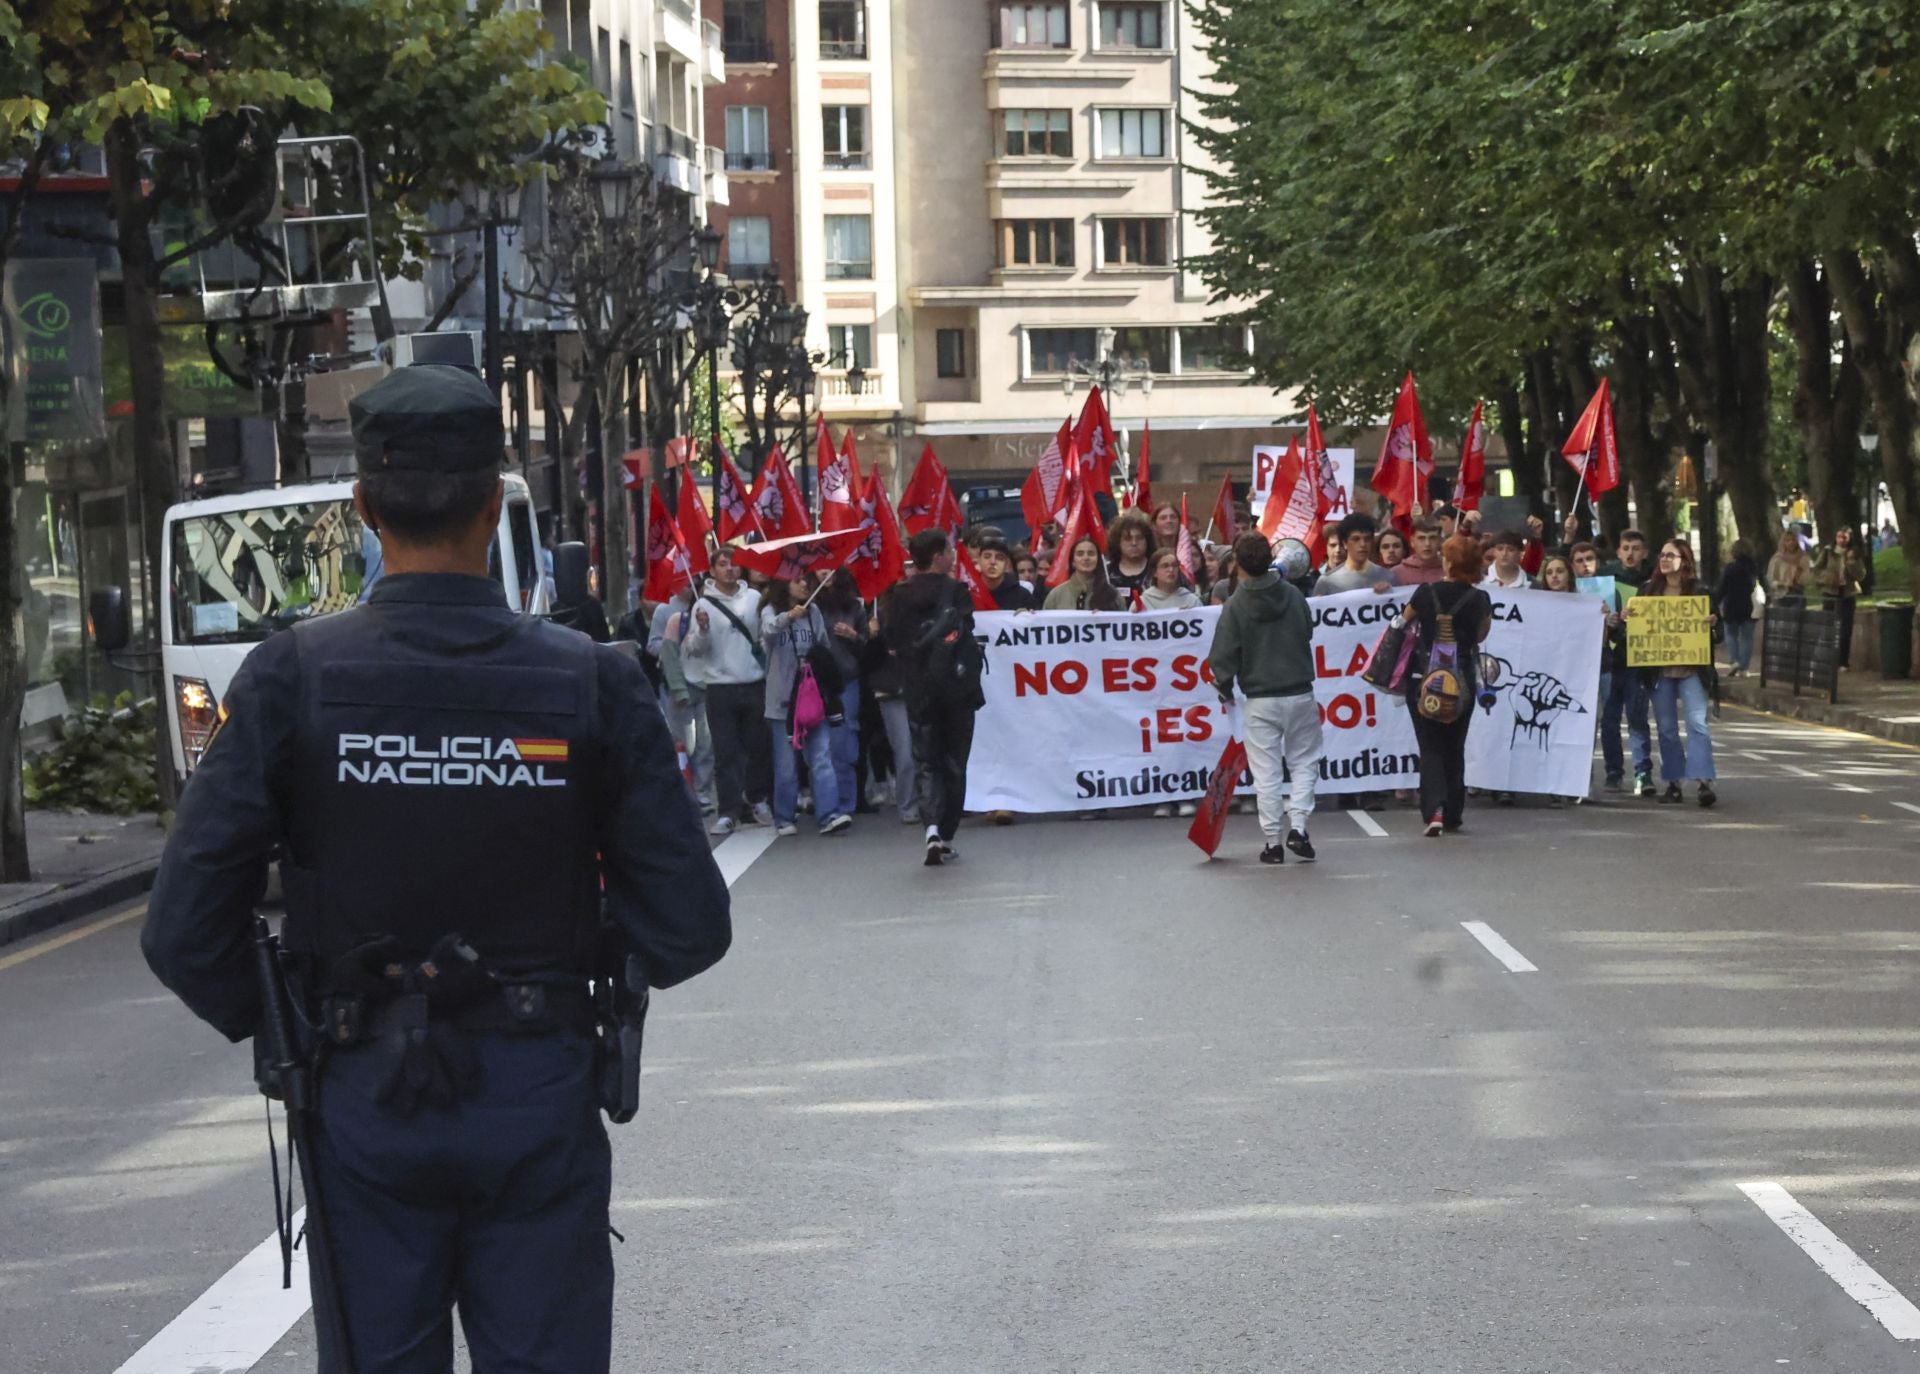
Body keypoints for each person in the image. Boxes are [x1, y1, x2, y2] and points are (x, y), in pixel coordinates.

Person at [141, 365, 732, 1374]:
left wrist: (298, 1030)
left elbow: (183, 929)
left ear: (363, 505)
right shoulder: (588, 681)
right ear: (498, 497)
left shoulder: (293, 676)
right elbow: (688, 926)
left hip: (363, 1093)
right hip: (538, 1086)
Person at [1209, 532, 1322, 864]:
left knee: (1267, 772)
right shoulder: (1292, 594)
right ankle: (1299, 827)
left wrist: (1226, 688)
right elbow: (1308, 630)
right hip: (1300, 691)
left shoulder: (1235, 605)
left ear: (1239, 564)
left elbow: (1222, 659)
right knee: (1304, 762)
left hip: (1260, 698)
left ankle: (1272, 842)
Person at [881, 529, 983, 866]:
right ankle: (948, 832)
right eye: (949, 551)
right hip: (956, 691)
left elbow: (891, 640)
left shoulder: (899, 596)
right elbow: (966, 635)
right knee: (955, 762)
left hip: (918, 691)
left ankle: (932, 830)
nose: (953, 555)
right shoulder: (956, 592)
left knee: (926, 760)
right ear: (938, 555)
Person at [1399, 534, 1494, 836]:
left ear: (1449, 561)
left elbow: (1403, 622)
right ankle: (1453, 811)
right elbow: (1480, 636)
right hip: (1462, 679)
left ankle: (1434, 810)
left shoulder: (1426, 592)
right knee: (1455, 744)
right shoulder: (1480, 599)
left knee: (1430, 745)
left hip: (1425, 678)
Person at [684, 547, 772, 836]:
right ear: (712, 571)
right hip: (720, 687)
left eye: (734, 564)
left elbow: (764, 636)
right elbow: (694, 649)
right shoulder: (703, 605)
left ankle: (757, 800)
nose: (729, 569)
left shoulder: (755, 598)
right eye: (722, 565)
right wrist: (703, 630)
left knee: (757, 747)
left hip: (753, 681)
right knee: (726, 750)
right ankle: (729, 810)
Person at [760, 574, 851, 837]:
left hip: (812, 697)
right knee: (786, 764)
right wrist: (788, 616)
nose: (803, 585)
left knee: (821, 757)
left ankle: (829, 814)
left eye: (806, 582)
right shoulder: (770, 611)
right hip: (783, 700)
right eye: (797, 580)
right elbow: (767, 632)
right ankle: (784, 817)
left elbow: (823, 645)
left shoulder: (813, 612)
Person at [1630, 539, 1718, 806]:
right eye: (1662, 555)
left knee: (1697, 724)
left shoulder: (1699, 592)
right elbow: (1635, 632)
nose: (1665, 559)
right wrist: (1628, 618)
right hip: (1660, 672)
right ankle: (1673, 782)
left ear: (1685, 560)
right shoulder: (1647, 591)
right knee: (1667, 729)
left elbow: (1719, 633)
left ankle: (1704, 782)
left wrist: (1712, 624)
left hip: (1692, 669)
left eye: (1671, 555)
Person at [654, 582, 715, 812]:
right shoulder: (676, 621)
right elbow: (669, 657)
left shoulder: (714, 623)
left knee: (706, 745)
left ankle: (703, 792)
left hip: (708, 687)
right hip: (684, 690)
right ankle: (683, 790)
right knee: (685, 744)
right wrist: (679, 690)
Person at [814, 567, 869, 812]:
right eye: (819, 568)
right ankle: (824, 802)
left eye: (829, 568)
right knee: (819, 745)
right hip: (814, 683)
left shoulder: (854, 606)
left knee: (844, 740)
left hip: (846, 681)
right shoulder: (809, 603)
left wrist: (854, 635)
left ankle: (847, 802)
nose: (823, 573)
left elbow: (867, 645)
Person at [1812, 525, 1868, 667]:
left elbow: (1861, 575)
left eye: (1844, 537)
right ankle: (1828, 658)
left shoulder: (1853, 554)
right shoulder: (1828, 551)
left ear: (1849, 539)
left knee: (1846, 628)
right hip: (1830, 592)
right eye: (1839, 537)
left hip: (1847, 593)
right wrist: (1826, 578)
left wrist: (1851, 562)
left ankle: (1843, 661)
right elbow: (1816, 569)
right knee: (1829, 626)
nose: (1841, 540)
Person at [1310, 513, 1390, 595]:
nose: (1363, 544)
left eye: (1367, 539)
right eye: (1356, 539)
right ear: (1345, 543)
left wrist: (1390, 593)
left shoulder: (1388, 577)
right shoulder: (1327, 582)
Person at [1715, 538, 1760, 676]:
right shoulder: (1755, 568)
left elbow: (1722, 588)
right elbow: (1764, 584)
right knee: (1747, 637)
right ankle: (1744, 668)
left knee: (1730, 634)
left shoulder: (1730, 568)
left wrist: (1715, 601)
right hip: (1750, 606)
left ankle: (1735, 660)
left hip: (1731, 606)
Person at [1044, 536, 1124, 611]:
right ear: (1073, 562)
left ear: (1098, 560)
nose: (1086, 558)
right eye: (1080, 554)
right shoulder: (1056, 595)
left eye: (1091, 554)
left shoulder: (1113, 595)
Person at [976, 534, 1039, 609]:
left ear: (1006, 563)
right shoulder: (968, 593)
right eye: (987, 557)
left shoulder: (1022, 596)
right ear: (979, 560)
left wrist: (1026, 615)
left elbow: (1034, 618)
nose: (993, 562)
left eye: (999, 558)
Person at [1105, 508, 1157, 595]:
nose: (1134, 543)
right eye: (1128, 539)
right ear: (1118, 542)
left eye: (1139, 538)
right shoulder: (1106, 573)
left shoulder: (1158, 568)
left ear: (1147, 541)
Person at [1392, 517, 1446, 585]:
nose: (1427, 544)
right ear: (1412, 542)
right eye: (1421, 538)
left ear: (1440, 541)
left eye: (1432, 538)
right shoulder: (1397, 574)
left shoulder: (1451, 570)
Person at [1766, 529, 1810, 607]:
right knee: (1782, 618)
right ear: (1783, 542)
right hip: (1780, 595)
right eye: (1788, 540)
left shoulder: (1803, 557)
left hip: (1797, 594)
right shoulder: (1777, 558)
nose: (1791, 542)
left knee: (1795, 617)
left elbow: (1807, 576)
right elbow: (1771, 576)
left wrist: (1798, 577)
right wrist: (1779, 583)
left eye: (1793, 540)